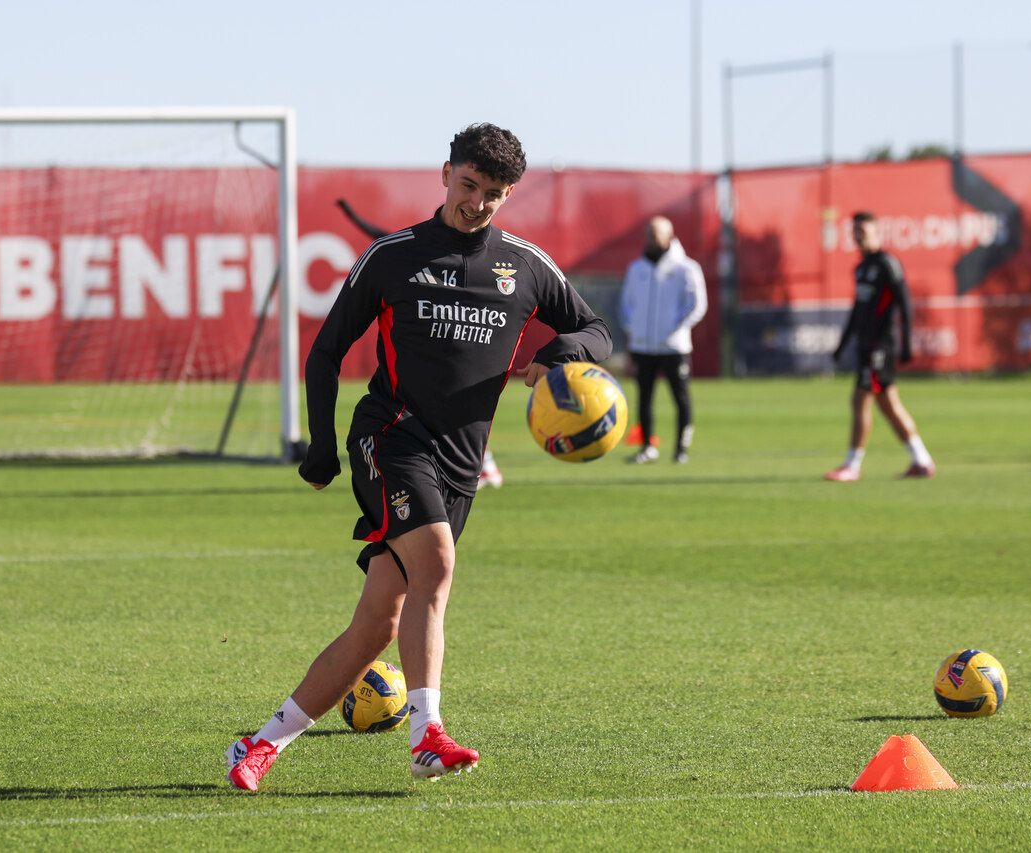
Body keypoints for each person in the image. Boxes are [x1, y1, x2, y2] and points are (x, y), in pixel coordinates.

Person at [227, 124, 612, 791]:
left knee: (376, 625)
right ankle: (427, 735)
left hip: (460, 466)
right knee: (437, 561)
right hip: (390, 437)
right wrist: (321, 446)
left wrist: (556, 355)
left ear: (508, 195)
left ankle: (259, 744)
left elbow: (596, 330)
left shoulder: (524, 265)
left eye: (493, 194)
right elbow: (325, 351)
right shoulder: (393, 256)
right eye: (468, 185)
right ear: (445, 174)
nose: (477, 203)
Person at [335, 198, 505, 490]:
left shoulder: (469, 257)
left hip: (456, 335)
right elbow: (375, 233)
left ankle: (482, 466)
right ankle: (475, 466)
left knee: (460, 406)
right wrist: (349, 212)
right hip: (428, 338)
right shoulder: (405, 251)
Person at [825, 211, 935, 481]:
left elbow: (904, 303)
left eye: (863, 231)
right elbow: (858, 310)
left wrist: (906, 343)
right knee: (888, 405)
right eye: (855, 232)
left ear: (875, 233)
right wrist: (842, 344)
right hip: (866, 345)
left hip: (880, 347)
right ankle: (921, 460)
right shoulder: (861, 268)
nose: (858, 237)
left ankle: (852, 465)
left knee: (860, 400)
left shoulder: (887, 264)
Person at [618, 216, 708, 464]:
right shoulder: (636, 268)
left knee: (680, 397)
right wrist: (634, 328)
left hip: (673, 347)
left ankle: (681, 449)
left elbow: (697, 304)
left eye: (654, 234)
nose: (649, 238)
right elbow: (626, 304)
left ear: (668, 235)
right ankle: (647, 447)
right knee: (644, 398)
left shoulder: (686, 268)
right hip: (643, 346)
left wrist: (675, 328)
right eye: (647, 233)